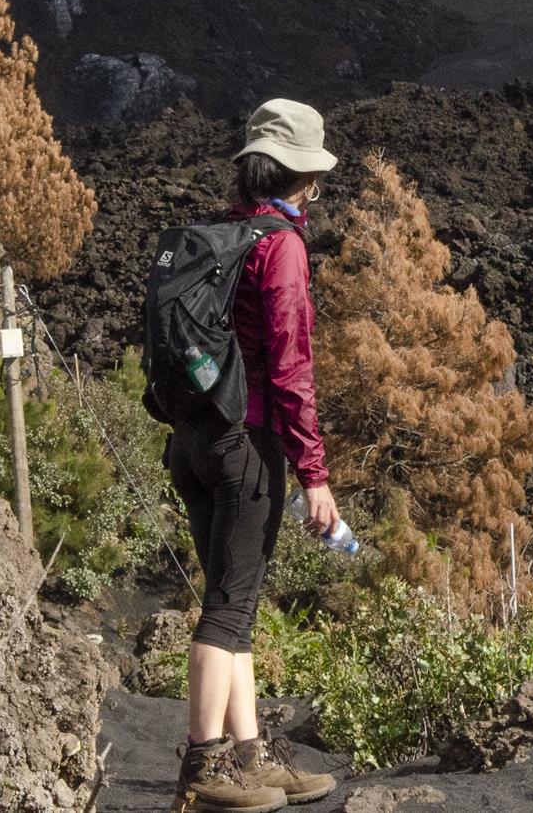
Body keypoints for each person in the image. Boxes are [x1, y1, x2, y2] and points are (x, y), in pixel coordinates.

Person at [172, 99, 341, 811]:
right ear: (306, 179)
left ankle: (251, 759)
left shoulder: (223, 235)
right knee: (226, 611)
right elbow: (290, 363)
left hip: (193, 440)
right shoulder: (283, 245)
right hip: (248, 445)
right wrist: (315, 475)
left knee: (233, 608)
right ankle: (203, 771)